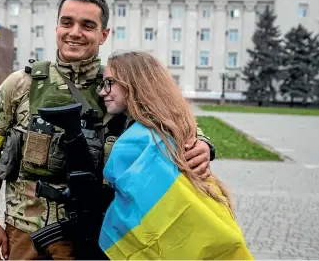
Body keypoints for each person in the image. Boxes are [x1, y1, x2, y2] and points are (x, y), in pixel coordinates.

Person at [0, 0, 215, 260]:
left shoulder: (118, 86)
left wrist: (203, 144)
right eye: (67, 22)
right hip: (25, 231)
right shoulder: (20, 84)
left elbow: (171, 116)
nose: (75, 32)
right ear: (57, 27)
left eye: (87, 25)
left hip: (96, 232)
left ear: (104, 35)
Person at [97, 50, 253, 260]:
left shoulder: (140, 140)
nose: (101, 91)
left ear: (134, 83)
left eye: (109, 83)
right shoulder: (172, 128)